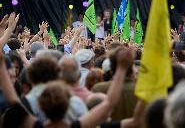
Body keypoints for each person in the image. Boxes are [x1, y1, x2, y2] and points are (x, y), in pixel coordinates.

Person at [0, 47, 135, 128]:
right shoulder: (77, 125)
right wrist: (122, 68)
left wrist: (1, 65)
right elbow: (109, 103)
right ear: (68, 102)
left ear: (41, 105)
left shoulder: (35, 124)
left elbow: (13, 99)